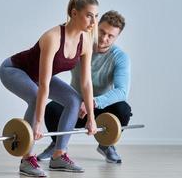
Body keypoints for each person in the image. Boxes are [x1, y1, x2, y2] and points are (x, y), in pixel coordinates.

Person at [0, 0, 99, 177]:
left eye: (96, 16)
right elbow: (43, 85)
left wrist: (91, 119)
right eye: (89, 16)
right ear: (74, 13)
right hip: (14, 70)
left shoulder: (85, 40)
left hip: (38, 76)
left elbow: (86, 82)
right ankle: (27, 159)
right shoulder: (52, 38)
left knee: (74, 100)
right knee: (36, 97)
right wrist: (37, 123)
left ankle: (59, 155)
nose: (94, 22)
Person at [37, 10, 132, 164]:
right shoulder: (79, 45)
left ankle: (106, 144)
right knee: (51, 109)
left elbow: (122, 91)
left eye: (110, 36)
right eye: (102, 31)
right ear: (96, 26)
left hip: (101, 107)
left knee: (123, 110)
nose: (104, 38)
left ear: (117, 37)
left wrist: (92, 103)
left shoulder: (120, 57)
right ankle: (58, 145)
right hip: (75, 105)